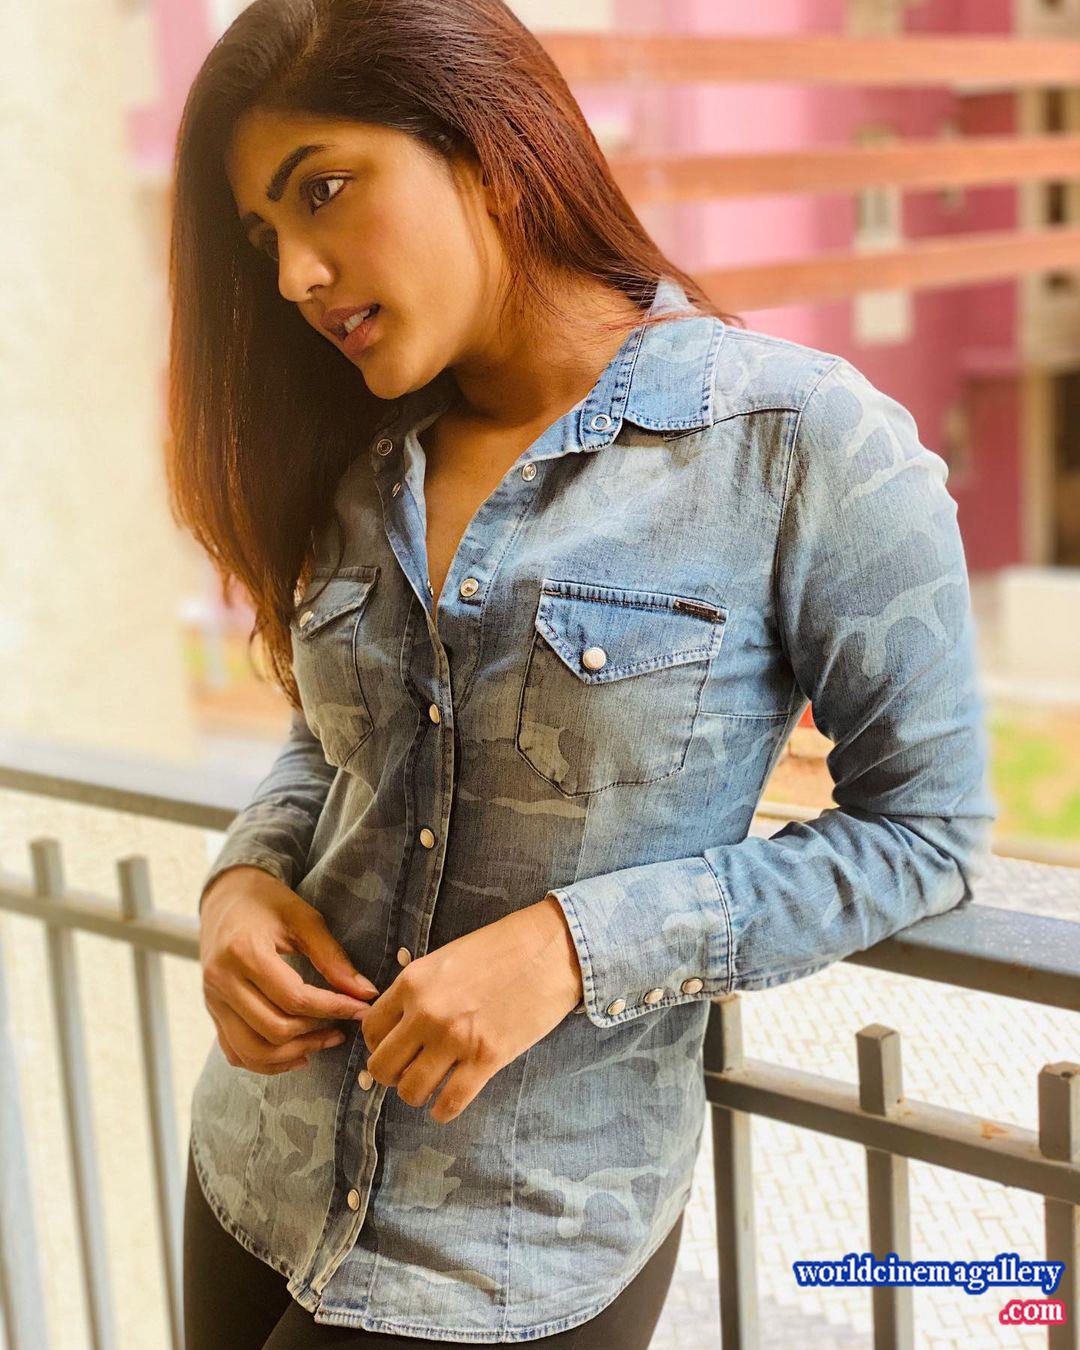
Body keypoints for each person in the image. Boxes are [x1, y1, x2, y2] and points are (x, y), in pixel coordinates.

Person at [166, 1, 997, 1345]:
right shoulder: (362, 456)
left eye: (323, 189)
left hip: (516, 1248)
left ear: (486, 145)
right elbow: (336, 741)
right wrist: (243, 881)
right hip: (256, 1170)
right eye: (265, 236)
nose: (296, 277)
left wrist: (575, 947)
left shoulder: (800, 441)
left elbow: (927, 832)